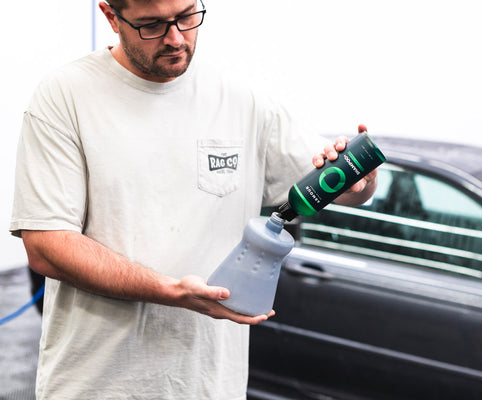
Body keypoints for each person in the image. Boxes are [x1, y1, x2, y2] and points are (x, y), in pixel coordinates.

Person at [9, 0, 378, 399]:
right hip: (96, 385)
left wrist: (363, 182)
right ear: (111, 16)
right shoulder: (66, 97)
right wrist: (170, 291)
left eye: (186, 16)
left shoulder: (243, 101)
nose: (175, 38)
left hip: (207, 386)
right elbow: (47, 246)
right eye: (152, 24)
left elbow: (345, 193)